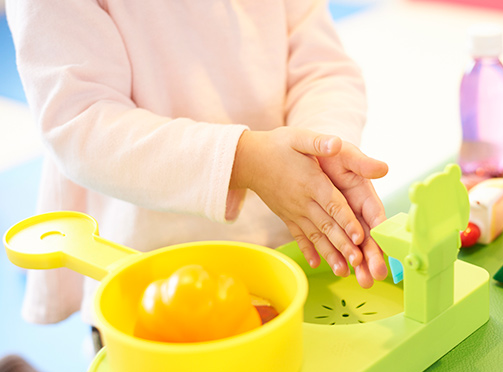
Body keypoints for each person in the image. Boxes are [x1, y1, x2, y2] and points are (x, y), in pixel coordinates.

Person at [6, 0, 389, 330]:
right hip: (150, 273)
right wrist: (245, 160)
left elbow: (321, 64)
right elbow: (80, 122)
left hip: (287, 253)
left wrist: (322, 148)